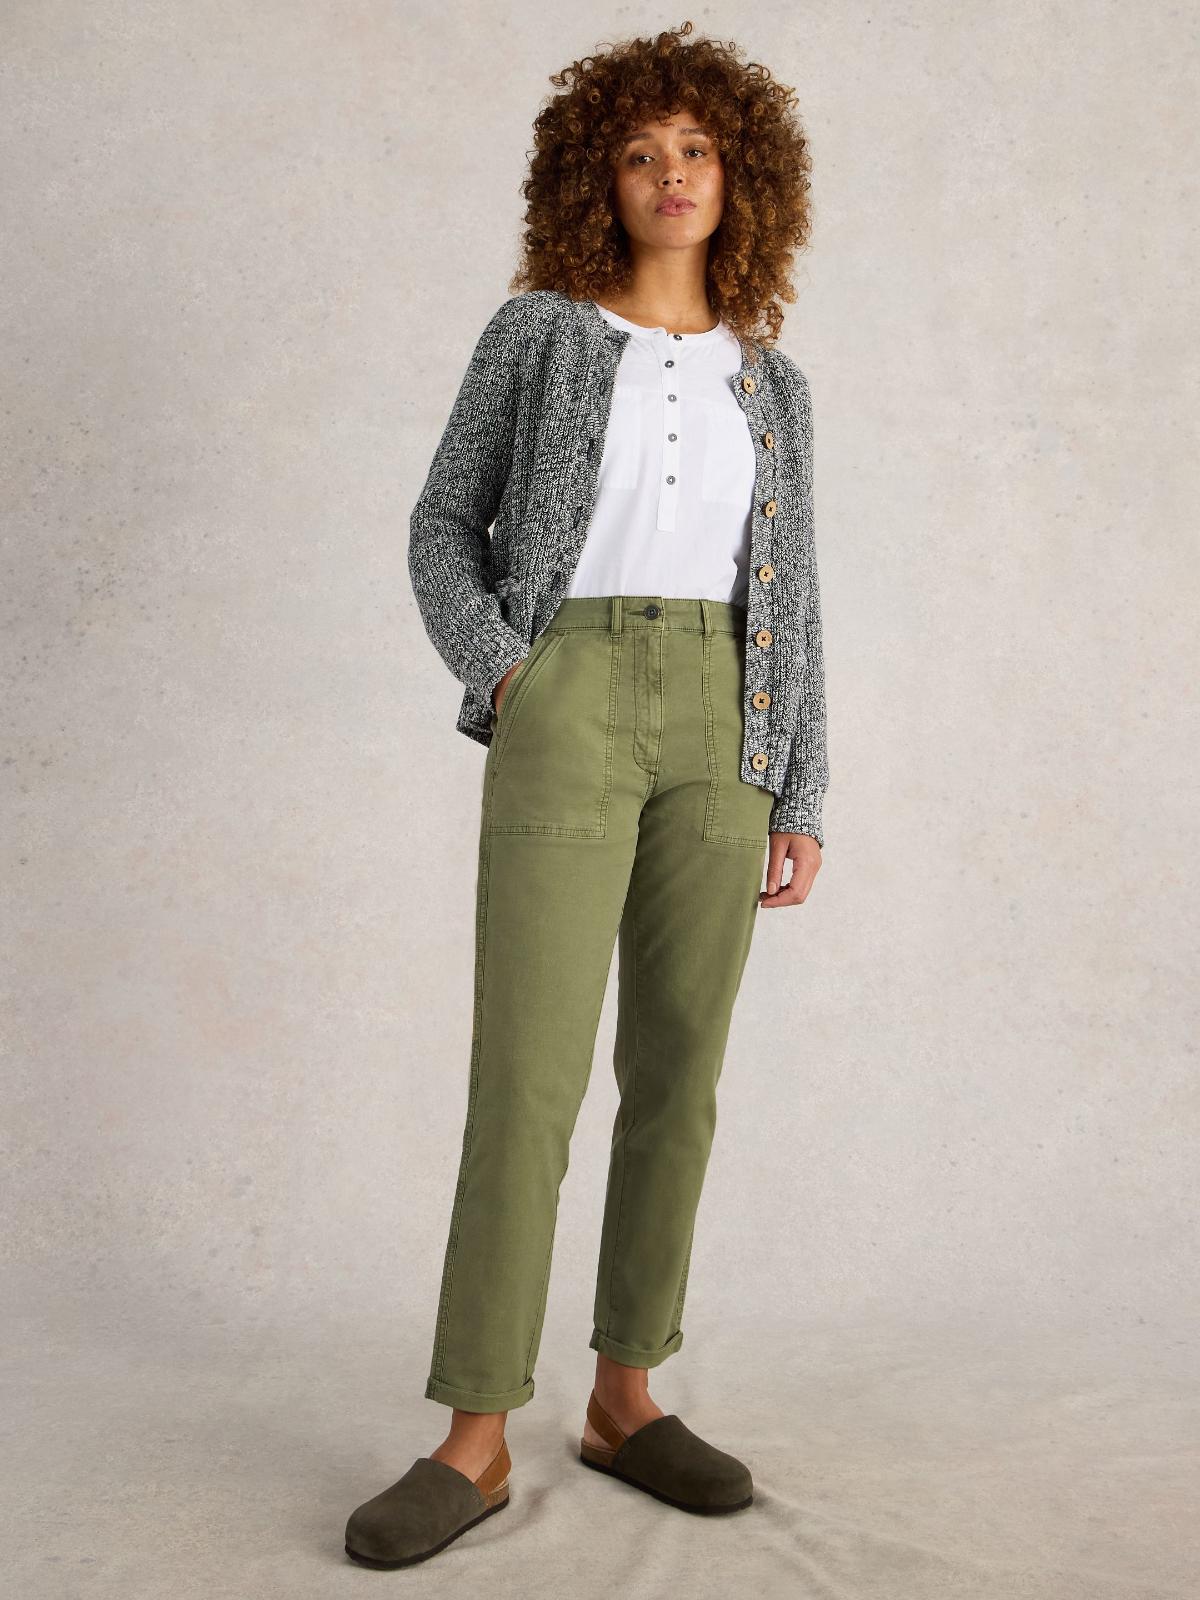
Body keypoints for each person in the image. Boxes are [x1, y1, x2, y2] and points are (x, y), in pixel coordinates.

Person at [345, 20, 828, 1568]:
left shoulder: (773, 382)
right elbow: (443, 519)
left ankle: (627, 1399)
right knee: (529, 1082)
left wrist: (800, 785)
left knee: (680, 1075)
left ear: (740, 176)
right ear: (594, 180)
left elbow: (796, 597)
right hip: (568, 696)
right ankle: (476, 1433)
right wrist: (505, 672)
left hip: (726, 724)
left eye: (697, 149)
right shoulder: (539, 335)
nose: (671, 173)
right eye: (639, 152)